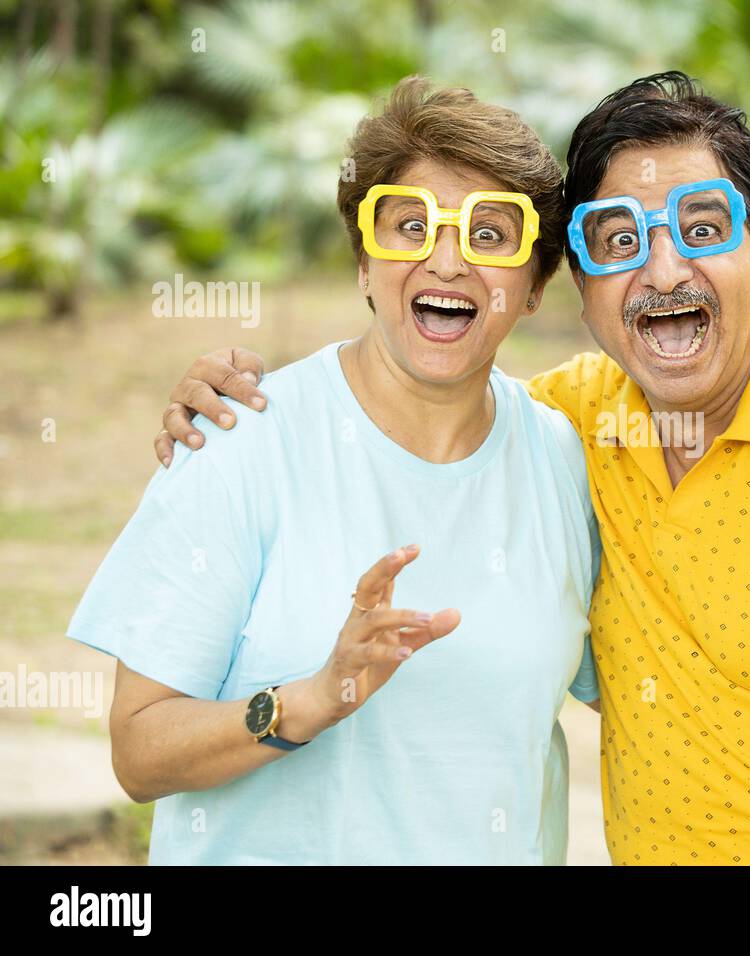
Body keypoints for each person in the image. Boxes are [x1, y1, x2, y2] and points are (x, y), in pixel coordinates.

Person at [153, 73, 750, 865]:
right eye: (618, 240)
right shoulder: (571, 425)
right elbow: (427, 392)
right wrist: (242, 401)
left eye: (703, 227)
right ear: (579, 286)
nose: (664, 268)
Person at [68, 78, 600, 865]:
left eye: (491, 235)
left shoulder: (566, 460)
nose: (446, 260)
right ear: (364, 261)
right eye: (410, 226)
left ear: (534, 286)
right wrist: (310, 701)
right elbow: (139, 751)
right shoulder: (241, 440)